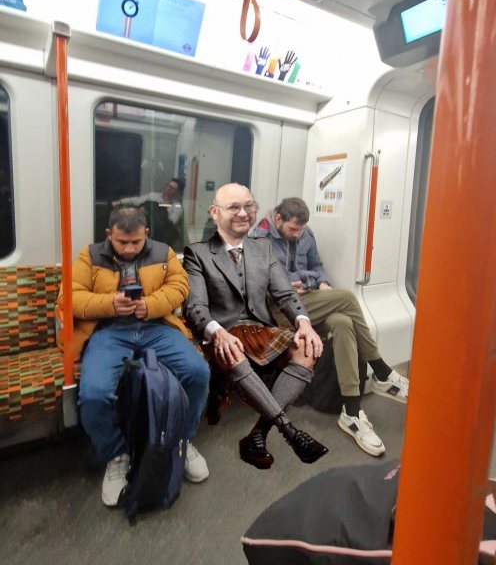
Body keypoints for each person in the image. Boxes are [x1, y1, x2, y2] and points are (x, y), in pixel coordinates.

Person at [57, 205, 210, 507]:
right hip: (109, 331)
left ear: (146, 235)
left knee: (198, 372)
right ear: (108, 235)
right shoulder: (90, 256)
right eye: (121, 242)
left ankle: (182, 438)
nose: (128, 249)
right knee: (95, 393)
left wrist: (149, 305)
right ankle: (116, 454)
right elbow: (69, 298)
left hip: (156, 326)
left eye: (136, 242)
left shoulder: (163, 253)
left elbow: (180, 286)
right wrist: (110, 305)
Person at [183, 183, 329, 470]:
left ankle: (257, 435)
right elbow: (195, 308)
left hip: (260, 328)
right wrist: (217, 333)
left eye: (248, 206)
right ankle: (290, 431)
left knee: (307, 348)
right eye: (233, 207)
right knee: (232, 350)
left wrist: (304, 323)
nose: (243, 213)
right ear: (215, 213)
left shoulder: (262, 248)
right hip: (224, 331)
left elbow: (285, 294)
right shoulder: (198, 253)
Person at [251, 197, 409, 458]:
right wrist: (295, 282)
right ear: (278, 219)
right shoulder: (259, 238)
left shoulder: (306, 235)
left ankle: (352, 411)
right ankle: (381, 371)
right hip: (279, 308)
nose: (297, 235)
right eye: (292, 230)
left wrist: (319, 281)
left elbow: (317, 267)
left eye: (301, 230)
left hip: (307, 299)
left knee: (343, 322)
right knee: (346, 298)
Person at [116, 177, 185, 251]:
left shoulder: (177, 207)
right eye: (168, 186)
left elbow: (169, 224)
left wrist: (150, 212)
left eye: (172, 188)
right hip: (143, 231)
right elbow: (136, 200)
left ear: (177, 192)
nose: (169, 189)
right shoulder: (153, 196)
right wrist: (120, 202)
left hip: (160, 238)